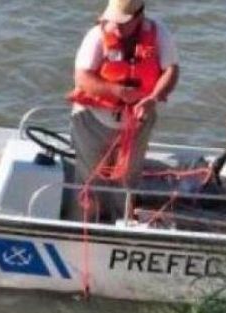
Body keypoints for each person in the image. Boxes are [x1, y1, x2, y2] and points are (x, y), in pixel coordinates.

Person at [66, 0, 179, 222]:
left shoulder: (158, 34)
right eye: (113, 21)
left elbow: (171, 70)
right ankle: (82, 224)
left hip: (136, 124)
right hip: (93, 122)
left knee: (127, 179)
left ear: (139, 16)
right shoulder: (96, 36)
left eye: (123, 22)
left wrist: (152, 98)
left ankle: (120, 222)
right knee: (89, 179)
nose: (116, 27)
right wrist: (117, 91)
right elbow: (82, 77)